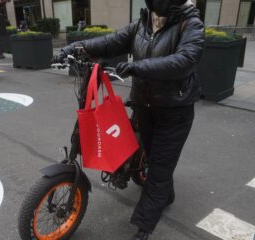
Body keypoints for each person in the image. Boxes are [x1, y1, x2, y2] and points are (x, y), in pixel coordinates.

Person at [52, 0, 204, 239]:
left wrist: (137, 67)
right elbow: (108, 42)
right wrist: (74, 48)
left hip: (174, 110)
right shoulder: (141, 24)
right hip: (144, 105)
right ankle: (166, 194)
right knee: (156, 160)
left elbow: (185, 61)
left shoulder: (190, 24)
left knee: (159, 168)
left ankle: (144, 226)